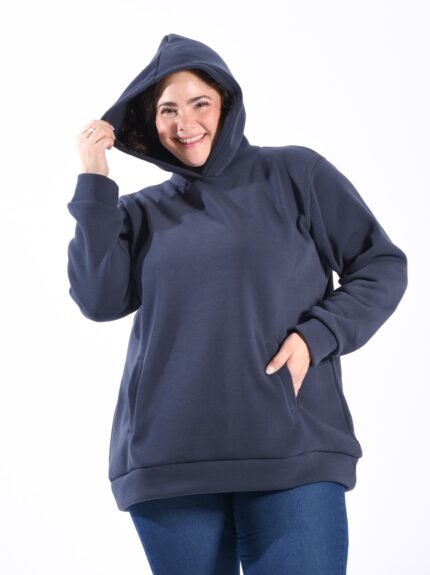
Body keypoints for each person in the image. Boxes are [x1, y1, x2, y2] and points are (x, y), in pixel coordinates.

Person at [67, 33, 408, 574]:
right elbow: (97, 299)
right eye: (168, 110)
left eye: (200, 103)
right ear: (150, 123)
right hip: (169, 462)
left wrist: (315, 337)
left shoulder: (295, 174)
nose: (185, 123)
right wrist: (94, 184)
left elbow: (381, 264)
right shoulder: (137, 212)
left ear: (226, 103)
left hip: (292, 451)